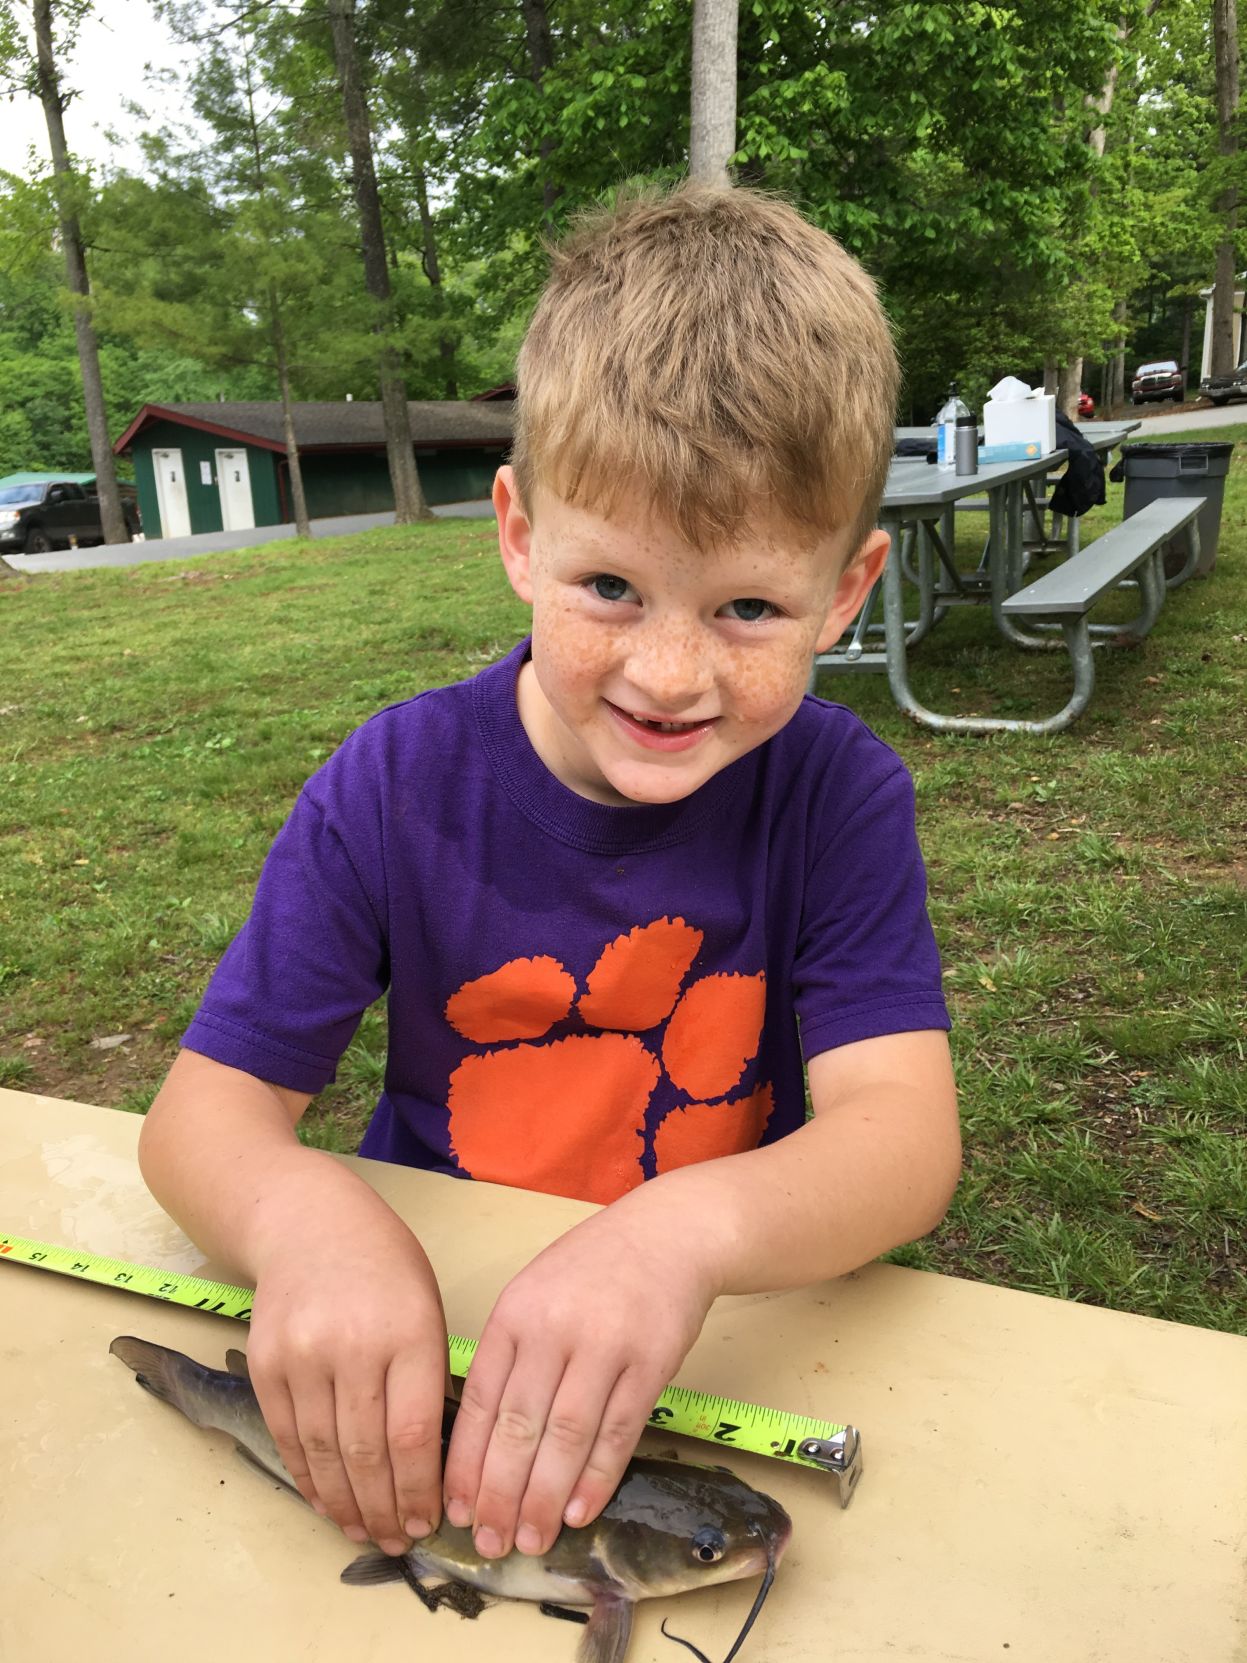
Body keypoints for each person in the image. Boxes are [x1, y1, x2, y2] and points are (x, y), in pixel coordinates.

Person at [139, 182, 960, 1573]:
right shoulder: (392, 788)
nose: (667, 672)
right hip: (433, 1338)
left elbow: (903, 1138)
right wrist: (306, 1228)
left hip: (709, 1346)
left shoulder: (838, 796)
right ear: (520, 535)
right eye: (610, 589)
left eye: (748, 607)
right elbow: (194, 1124)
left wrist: (685, 1236)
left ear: (846, 589)